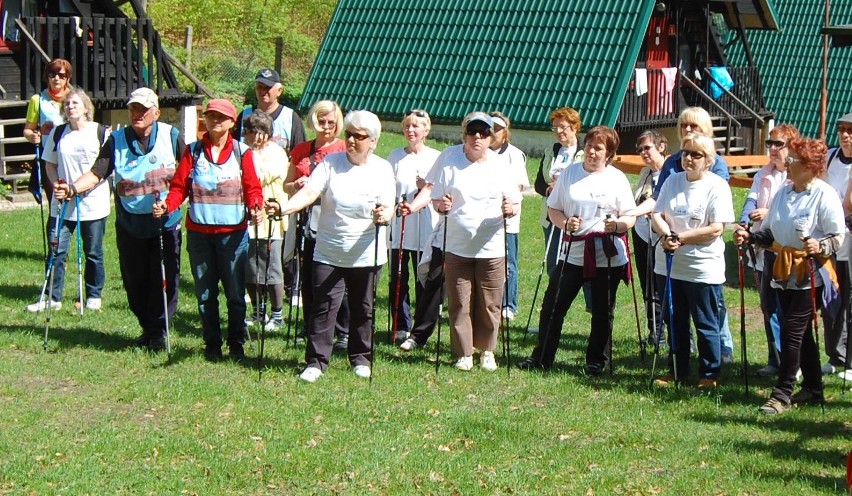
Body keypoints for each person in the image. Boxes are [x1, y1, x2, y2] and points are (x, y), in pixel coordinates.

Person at [54, 88, 184, 351]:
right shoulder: (117, 140)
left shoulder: (171, 137)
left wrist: (175, 200)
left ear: (156, 113)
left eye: (143, 110)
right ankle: (147, 328)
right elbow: (97, 172)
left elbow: (187, 171)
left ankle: (159, 331)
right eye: (133, 108)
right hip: (130, 223)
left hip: (165, 222)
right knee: (135, 280)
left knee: (164, 278)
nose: (137, 114)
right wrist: (71, 189)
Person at [276, 110, 395, 383]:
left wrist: (384, 215)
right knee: (323, 306)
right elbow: (309, 193)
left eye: (359, 137)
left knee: (362, 307)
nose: (352, 141)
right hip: (328, 250)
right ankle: (316, 362)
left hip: (366, 253)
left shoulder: (382, 169)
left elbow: (389, 206)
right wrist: (284, 208)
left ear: (373, 141)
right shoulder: (331, 163)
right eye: (349, 134)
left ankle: (361, 358)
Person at [735, 137, 845, 415]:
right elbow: (770, 232)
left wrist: (820, 245)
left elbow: (837, 236)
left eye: (794, 159)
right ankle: (814, 388)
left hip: (811, 275)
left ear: (809, 167)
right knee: (801, 332)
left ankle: (782, 393)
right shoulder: (784, 192)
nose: (789, 162)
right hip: (783, 271)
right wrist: (750, 236)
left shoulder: (824, 194)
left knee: (791, 332)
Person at [518, 126, 636, 374]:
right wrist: (565, 223)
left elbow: (630, 217)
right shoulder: (570, 174)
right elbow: (554, 208)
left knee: (603, 311)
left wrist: (616, 225)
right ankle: (542, 358)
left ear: (609, 154)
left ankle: (597, 361)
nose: (592, 152)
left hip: (606, 254)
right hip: (573, 252)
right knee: (553, 306)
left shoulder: (617, 178)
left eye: (599, 148)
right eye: (590, 146)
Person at [153, 99, 264, 362]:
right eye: (211, 116)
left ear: (231, 122)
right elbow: (179, 187)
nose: (215, 121)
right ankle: (212, 343)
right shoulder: (193, 151)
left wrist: (256, 206)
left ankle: (236, 342)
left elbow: (253, 188)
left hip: (233, 235)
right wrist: (167, 206)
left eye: (221, 117)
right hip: (200, 234)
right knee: (205, 293)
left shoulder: (242, 153)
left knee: (235, 293)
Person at [642, 106, 735, 362]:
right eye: (686, 153)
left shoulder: (717, 180)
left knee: (707, 319)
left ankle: (712, 367)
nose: (689, 158)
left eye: (696, 154)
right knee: (675, 319)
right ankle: (678, 367)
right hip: (671, 262)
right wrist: (666, 235)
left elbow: (717, 227)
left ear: (708, 158)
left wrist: (681, 238)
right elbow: (657, 212)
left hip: (702, 265)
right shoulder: (672, 176)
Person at [430, 112, 521, 372]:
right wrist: (442, 205)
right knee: (459, 301)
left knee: (490, 302)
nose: (477, 137)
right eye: (472, 132)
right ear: (465, 134)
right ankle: (463, 352)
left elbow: (514, 201)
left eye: (483, 133)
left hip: (491, 245)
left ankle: (488, 351)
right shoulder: (450, 159)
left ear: (491, 136)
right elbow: (437, 199)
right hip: (457, 244)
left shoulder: (500, 165)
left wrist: (509, 208)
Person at [27, 88, 110, 313]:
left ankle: (93, 295)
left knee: (93, 251)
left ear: (86, 107)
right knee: (57, 248)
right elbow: (50, 164)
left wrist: (75, 188)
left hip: (92, 202)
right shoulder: (58, 133)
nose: (70, 107)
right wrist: (56, 186)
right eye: (67, 104)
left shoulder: (100, 132)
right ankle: (51, 297)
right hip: (62, 201)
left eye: (75, 103)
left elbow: (101, 170)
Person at [285, 100, 350, 349]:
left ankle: (343, 331)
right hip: (305, 222)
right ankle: (311, 327)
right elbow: (286, 185)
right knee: (309, 277)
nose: (326, 127)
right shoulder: (301, 149)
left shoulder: (344, 149)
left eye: (331, 123)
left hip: (336, 223)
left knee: (338, 278)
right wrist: (298, 186)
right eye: (321, 122)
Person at [739, 124, 799, 377]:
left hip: (785, 250)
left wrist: (768, 212)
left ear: (791, 148)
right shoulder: (763, 174)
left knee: (788, 310)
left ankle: (792, 363)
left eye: (778, 144)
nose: (772, 149)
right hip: (763, 249)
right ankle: (775, 360)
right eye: (769, 144)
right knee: (768, 307)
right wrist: (744, 223)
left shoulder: (797, 176)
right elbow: (751, 200)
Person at [387, 109, 441, 343]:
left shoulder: (436, 157)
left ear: (426, 130)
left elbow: (436, 189)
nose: (410, 130)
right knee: (398, 276)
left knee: (424, 276)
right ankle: (400, 324)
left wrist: (424, 186)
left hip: (425, 225)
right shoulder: (395, 156)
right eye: (407, 126)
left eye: (416, 126)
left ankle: (421, 327)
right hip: (399, 226)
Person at [243, 110, 289, 332]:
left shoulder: (277, 153)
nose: (255, 136)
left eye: (260, 132)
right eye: (251, 131)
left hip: (271, 217)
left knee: (272, 267)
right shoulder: (243, 151)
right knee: (251, 268)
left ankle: (277, 314)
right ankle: (258, 311)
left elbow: (259, 176)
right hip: (247, 218)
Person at [489, 111, 530, 322]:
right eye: (490, 128)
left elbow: (520, 184)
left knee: (508, 262)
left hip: (508, 219)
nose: (493, 132)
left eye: (497, 129)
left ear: (505, 132)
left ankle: (508, 304)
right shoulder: (480, 153)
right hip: (484, 219)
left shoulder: (514, 154)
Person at [534, 107, 584, 275]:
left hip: (577, 215)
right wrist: (549, 189)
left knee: (578, 263)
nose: (558, 131)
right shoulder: (551, 150)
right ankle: (554, 297)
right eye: (555, 128)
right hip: (551, 215)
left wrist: (562, 187)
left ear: (575, 127)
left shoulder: (585, 152)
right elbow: (538, 183)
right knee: (553, 262)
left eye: (562, 127)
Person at [630, 130, 668, 348]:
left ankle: (675, 332)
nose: (643, 152)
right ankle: (655, 331)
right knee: (647, 285)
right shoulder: (645, 173)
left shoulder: (671, 172)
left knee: (663, 284)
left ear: (661, 147)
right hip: (642, 234)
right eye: (640, 149)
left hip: (662, 236)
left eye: (647, 148)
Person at [24, 58, 73, 206]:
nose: (56, 78)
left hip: (72, 156)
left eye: (61, 75)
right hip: (49, 158)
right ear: (47, 77)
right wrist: (35, 135)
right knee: (55, 202)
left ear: (67, 78)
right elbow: (28, 130)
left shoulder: (74, 98)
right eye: (52, 74)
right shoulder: (37, 99)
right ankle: (55, 229)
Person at [826, 113, 852, 380]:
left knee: (851, 300)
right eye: (842, 130)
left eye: (851, 131)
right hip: (833, 239)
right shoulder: (831, 157)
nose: (845, 135)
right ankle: (836, 354)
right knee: (832, 297)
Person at [235, 68, 306, 152]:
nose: (263, 91)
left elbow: (301, 154)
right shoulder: (245, 115)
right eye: (259, 87)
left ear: (279, 91)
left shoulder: (290, 118)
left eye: (267, 87)